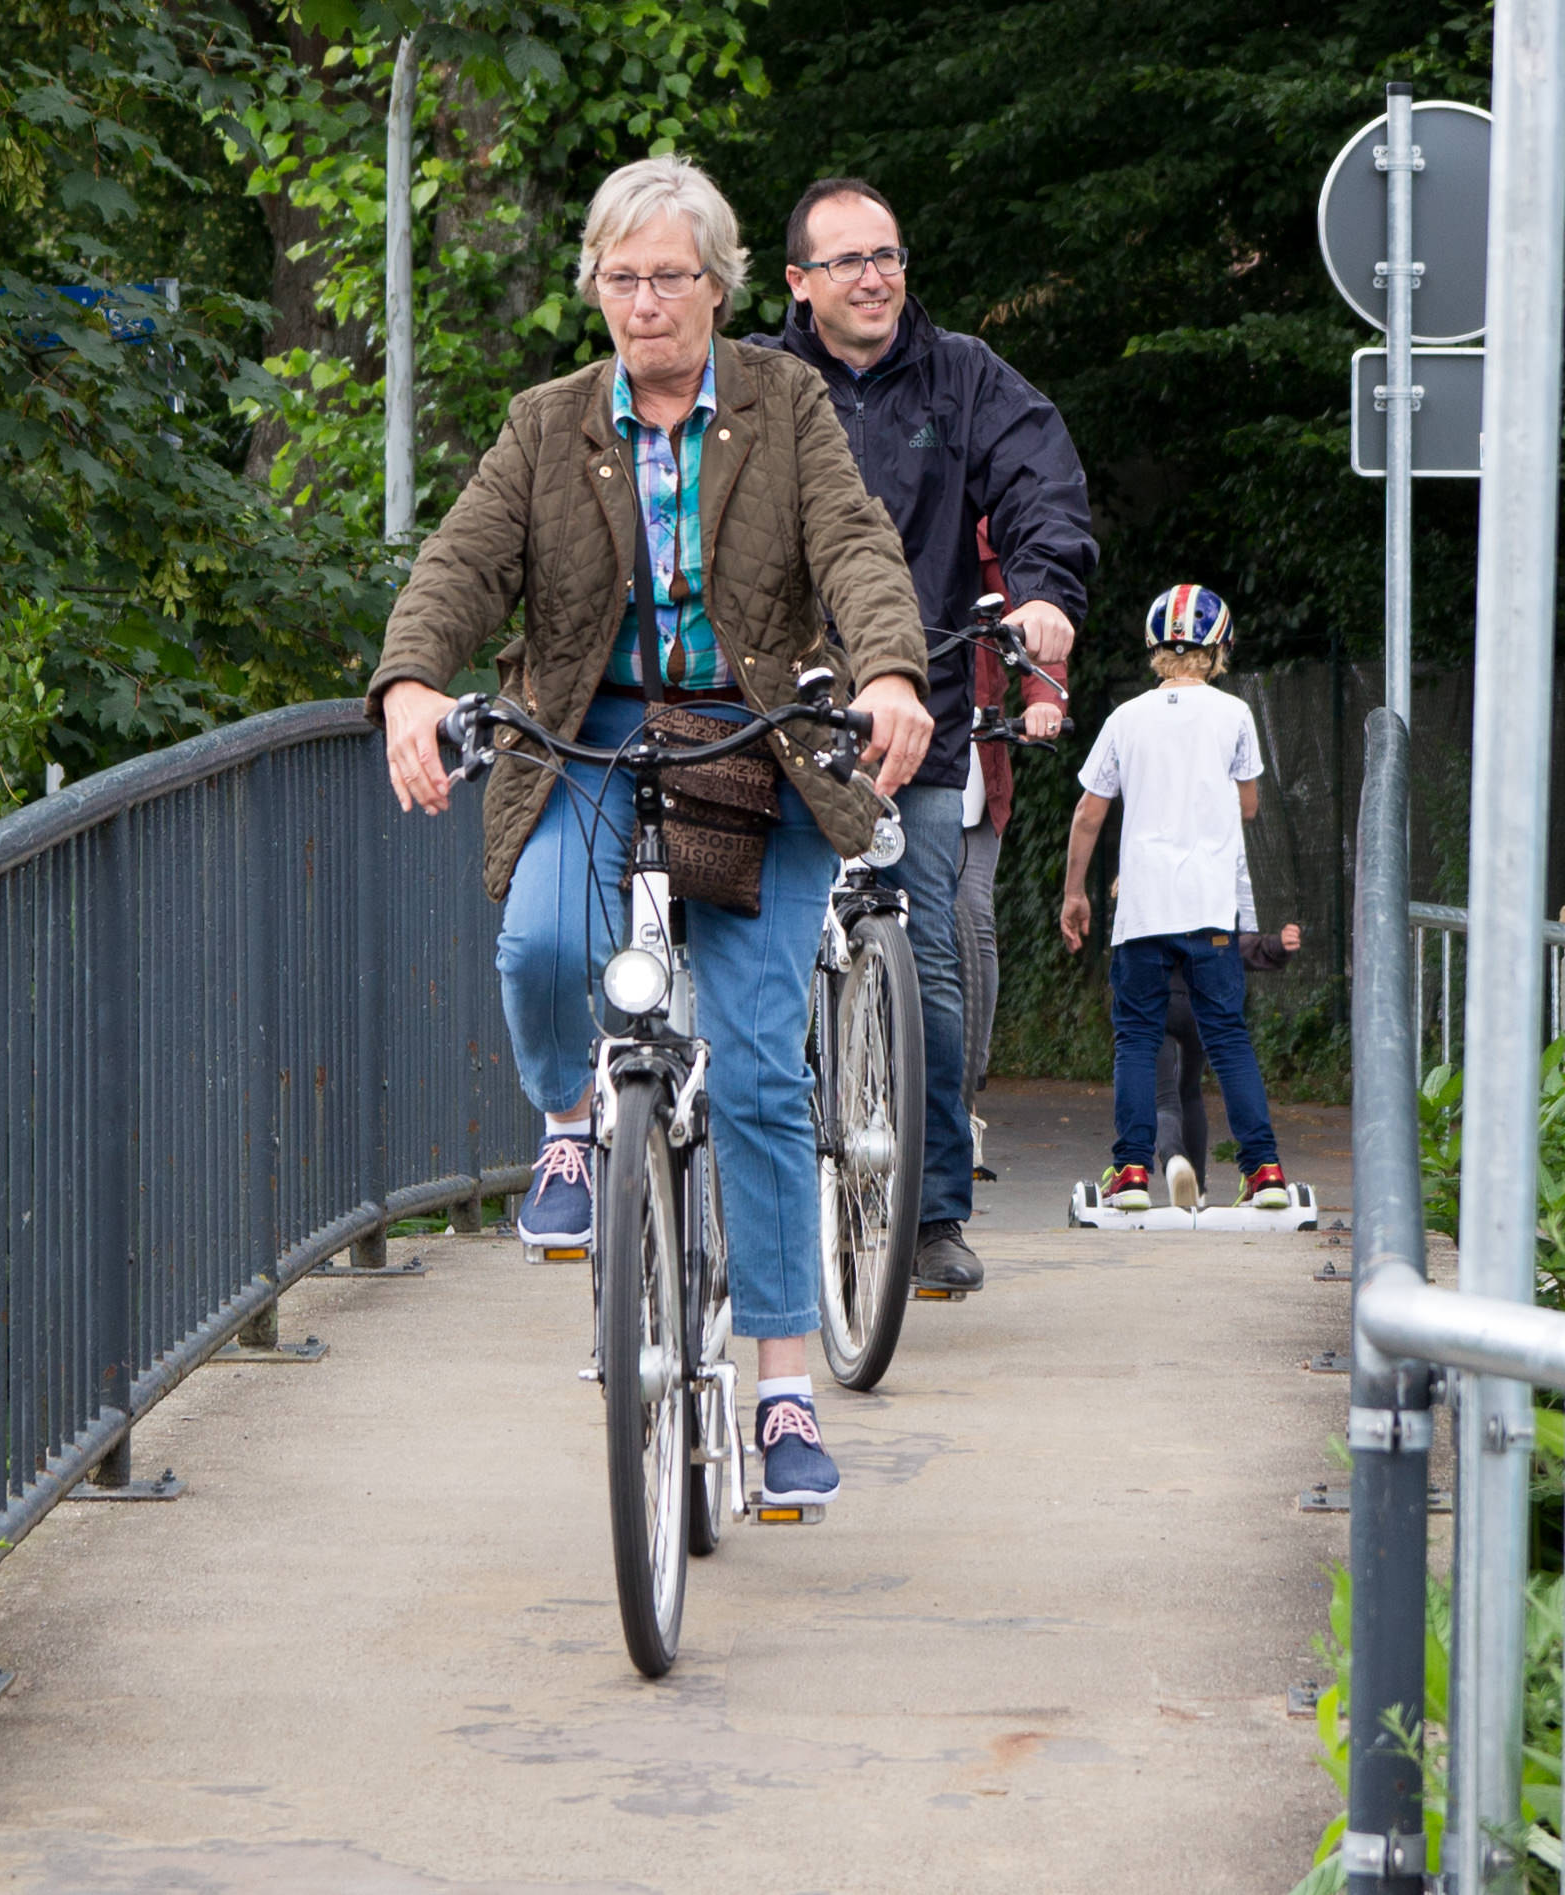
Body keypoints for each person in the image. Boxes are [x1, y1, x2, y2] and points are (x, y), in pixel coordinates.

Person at [371, 156, 933, 1506]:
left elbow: (855, 545)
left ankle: (783, 1390)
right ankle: (571, 1121)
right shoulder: (546, 423)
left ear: (718, 286)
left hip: (753, 739)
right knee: (539, 944)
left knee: (756, 1064)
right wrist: (408, 683)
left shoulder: (784, 403)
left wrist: (888, 672)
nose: (643, 302)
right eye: (620, 278)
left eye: (668, 277)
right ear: (596, 288)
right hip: (591, 732)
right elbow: (460, 563)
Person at [752, 178, 1096, 1292]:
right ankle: (756, 1191)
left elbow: (1041, 482)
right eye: (847, 260)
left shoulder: (964, 377)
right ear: (798, 281)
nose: (874, 277)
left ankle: (933, 1211)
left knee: (930, 959)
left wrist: (1043, 594)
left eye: (887, 255)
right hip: (781, 711)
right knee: (758, 955)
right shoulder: (755, 381)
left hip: (927, 708)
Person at [1055, 585, 1293, 1212]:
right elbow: (1248, 806)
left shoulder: (1125, 718)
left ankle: (1132, 1172)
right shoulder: (1234, 715)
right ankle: (1265, 1171)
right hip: (1210, 907)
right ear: (1219, 649)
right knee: (1227, 1037)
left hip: (1143, 908)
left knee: (1137, 1038)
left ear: (1155, 648)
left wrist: (1075, 892)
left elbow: (1088, 814)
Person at [959, 516, 1067, 1182]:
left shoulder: (980, 528)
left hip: (967, 745)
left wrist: (1042, 694)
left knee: (970, 916)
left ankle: (961, 1100)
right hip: (865, 735)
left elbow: (1032, 608)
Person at [1154, 856, 1302, 1207]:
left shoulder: (1151, 894)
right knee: (1190, 1091)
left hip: (1159, 1004)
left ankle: (1174, 1161)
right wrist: (1275, 945)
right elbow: (1238, 948)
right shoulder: (1211, 905)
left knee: (1162, 1097)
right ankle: (1198, 1188)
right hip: (1200, 1008)